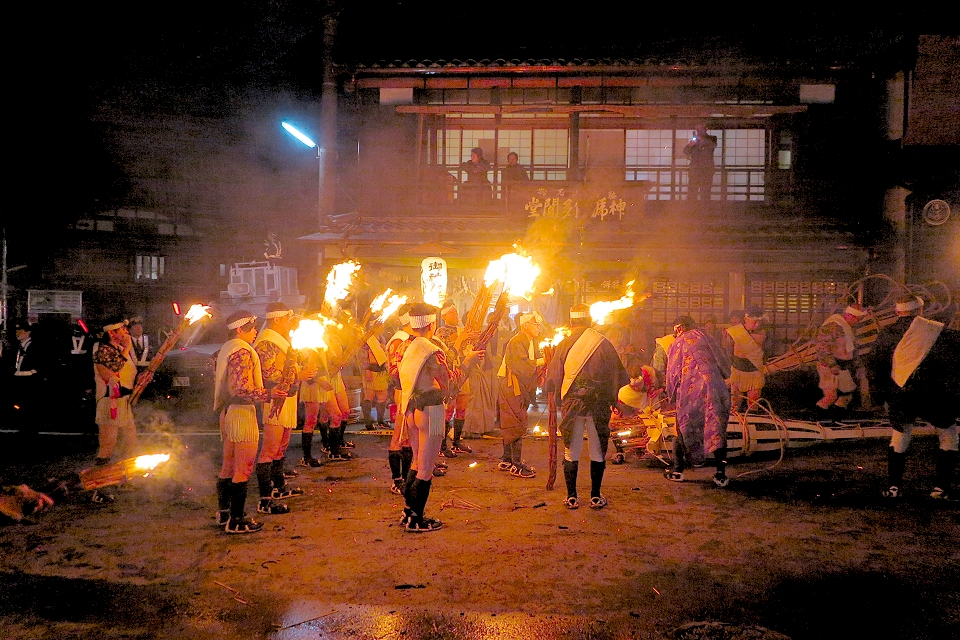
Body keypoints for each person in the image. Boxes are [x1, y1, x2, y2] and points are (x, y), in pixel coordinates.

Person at [397, 304, 480, 531]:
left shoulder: (405, 346)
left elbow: (395, 377)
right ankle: (416, 519)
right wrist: (468, 361)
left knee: (416, 462)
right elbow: (450, 383)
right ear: (432, 324)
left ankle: (408, 512)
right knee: (426, 468)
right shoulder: (432, 350)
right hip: (432, 410)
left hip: (411, 408)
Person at [868, 295, 960, 499]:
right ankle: (940, 489)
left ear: (897, 311)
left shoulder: (887, 333)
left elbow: (875, 366)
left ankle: (894, 488)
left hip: (900, 393)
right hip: (934, 394)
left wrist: (880, 396)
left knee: (900, 436)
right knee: (948, 436)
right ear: (920, 310)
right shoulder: (938, 330)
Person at [544, 303, 629, 510]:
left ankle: (571, 497)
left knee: (571, 452)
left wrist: (557, 399)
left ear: (571, 322)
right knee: (597, 452)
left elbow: (553, 379)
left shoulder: (563, 344)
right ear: (589, 321)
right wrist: (614, 401)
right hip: (597, 404)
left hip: (572, 406)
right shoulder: (603, 343)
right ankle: (595, 496)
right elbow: (616, 375)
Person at [213, 310, 286, 534]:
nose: (255, 331)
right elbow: (241, 388)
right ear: (239, 329)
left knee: (228, 466)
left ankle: (225, 514)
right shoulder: (242, 351)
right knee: (242, 469)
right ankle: (236, 520)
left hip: (229, 411)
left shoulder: (226, 348)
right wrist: (268, 394)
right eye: (252, 327)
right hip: (241, 413)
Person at [253, 303, 311, 516]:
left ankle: (279, 487)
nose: (289, 322)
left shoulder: (281, 339)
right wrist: (298, 375)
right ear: (276, 319)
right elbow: (268, 374)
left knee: (281, 445)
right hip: (274, 398)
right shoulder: (267, 342)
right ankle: (265, 499)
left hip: (287, 397)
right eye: (287, 318)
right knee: (269, 449)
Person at [664, 317, 732, 486]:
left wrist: (670, 393)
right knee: (717, 429)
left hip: (691, 391)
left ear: (679, 328)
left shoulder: (678, 343)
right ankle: (721, 474)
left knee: (683, 427)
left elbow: (673, 372)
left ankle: (678, 470)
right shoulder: (707, 337)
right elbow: (723, 362)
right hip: (716, 389)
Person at [91, 316, 139, 503]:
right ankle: (100, 489)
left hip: (123, 401)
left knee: (130, 440)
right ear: (112, 333)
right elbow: (113, 370)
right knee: (107, 446)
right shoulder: (102, 351)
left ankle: (124, 478)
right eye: (123, 330)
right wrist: (127, 348)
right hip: (109, 402)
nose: (127, 332)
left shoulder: (119, 349)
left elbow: (129, 373)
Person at [496, 312, 545, 478]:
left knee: (511, 419)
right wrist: (543, 361)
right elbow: (521, 366)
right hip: (511, 384)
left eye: (538, 324)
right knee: (515, 420)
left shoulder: (529, 341)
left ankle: (507, 459)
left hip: (516, 385)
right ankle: (516, 465)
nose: (538, 327)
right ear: (525, 326)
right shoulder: (518, 340)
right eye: (535, 324)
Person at [435, 301, 471, 455]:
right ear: (443, 316)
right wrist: (460, 338)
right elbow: (446, 353)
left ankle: (457, 442)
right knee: (448, 409)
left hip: (463, 371)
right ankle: (442, 446)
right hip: (450, 373)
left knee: (462, 407)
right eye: (452, 312)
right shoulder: (440, 332)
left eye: (456, 312)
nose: (456, 315)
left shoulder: (462, 330)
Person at [815, 303, 866, 413]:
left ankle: (836, 418)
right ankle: (819, 418)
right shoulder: (832, 326)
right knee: (830, 397)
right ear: (851, 316)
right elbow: (822, 347)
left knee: (846, 395)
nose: (858, 322)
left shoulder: (847, 328)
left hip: (843, 366)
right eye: (858, 319)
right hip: (829, 366)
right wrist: (832, 364)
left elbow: (852, 350)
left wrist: (858, 365)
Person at [723, 307, 767, 412]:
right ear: (746, 319)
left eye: (759, 322)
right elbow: (727, 347)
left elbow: (759, 342)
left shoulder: (762, 333)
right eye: (755, 322)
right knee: (734, 404)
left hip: (754, 372)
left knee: (753, 404)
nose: (757, 325)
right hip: (738, 370)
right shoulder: (736, 331)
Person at [651, 316, 695, 389]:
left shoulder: (693, 343)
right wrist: (663, 388)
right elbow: (658, 371)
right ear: (679, 329)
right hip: (668, 388)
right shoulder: (665, 344)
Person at [360, 333, 390, 430]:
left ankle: (380, 421)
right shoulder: (368, 338)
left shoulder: (381, 337)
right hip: (371, 369)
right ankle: (368, 423)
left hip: (382, 369)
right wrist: (367, 369)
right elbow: (362, 355)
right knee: (369, 395)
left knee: (382, 396)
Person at [683, 123, 718, 201]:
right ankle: (691, 207)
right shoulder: (695, 141)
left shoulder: (712, 138)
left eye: (701, 128)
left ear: (706, 129)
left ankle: (705, 207)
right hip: (694, 170)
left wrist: (702, 139)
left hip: (707, 170)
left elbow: (713, 145)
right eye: (698, 129)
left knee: (705, 192)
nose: (699, 131)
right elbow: (685, 152)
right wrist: (690, 145)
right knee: (692, 192)